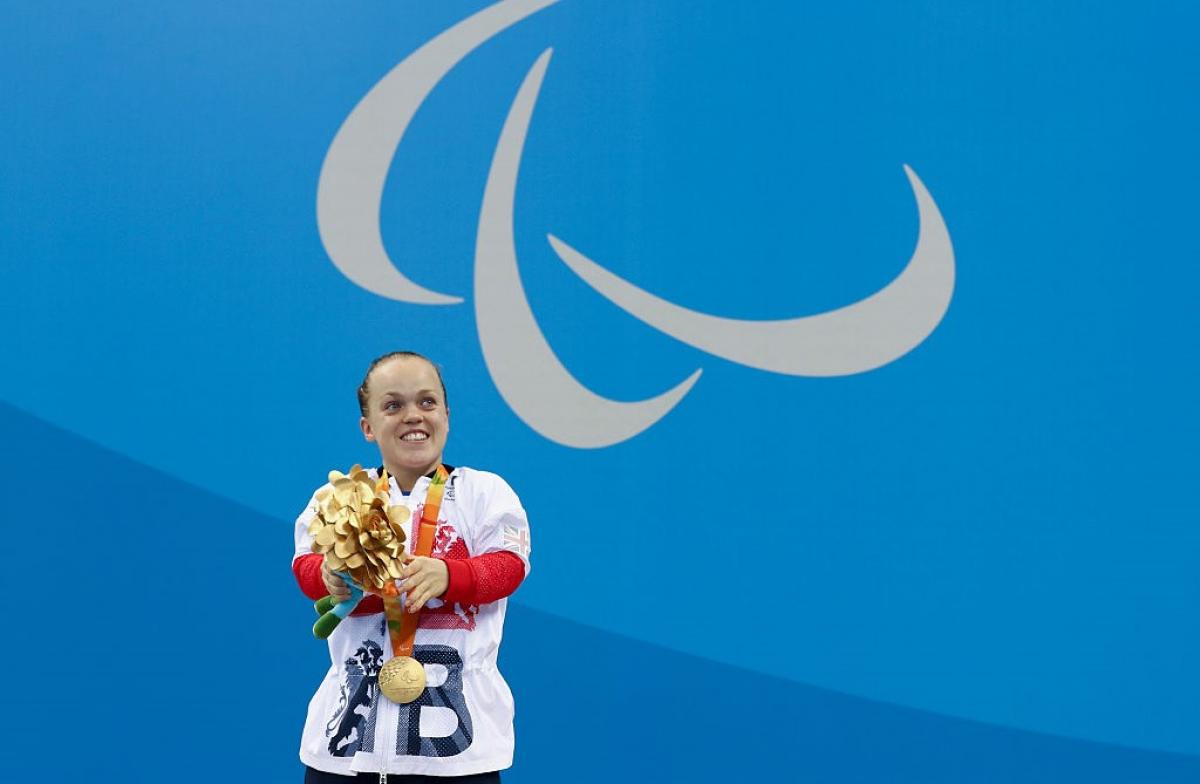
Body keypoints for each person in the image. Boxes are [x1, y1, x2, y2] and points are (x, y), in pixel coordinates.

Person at [292, 351, 531, 782]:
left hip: (459, 752)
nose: (412, 416)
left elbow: (508, 568)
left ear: (446, 415)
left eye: (427, 402)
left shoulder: (484, 493)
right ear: (368, 427)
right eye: (392, 405)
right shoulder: (338, 497)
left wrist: (450, 575)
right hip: (345, 751)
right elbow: (308, 568)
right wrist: (332, 579)